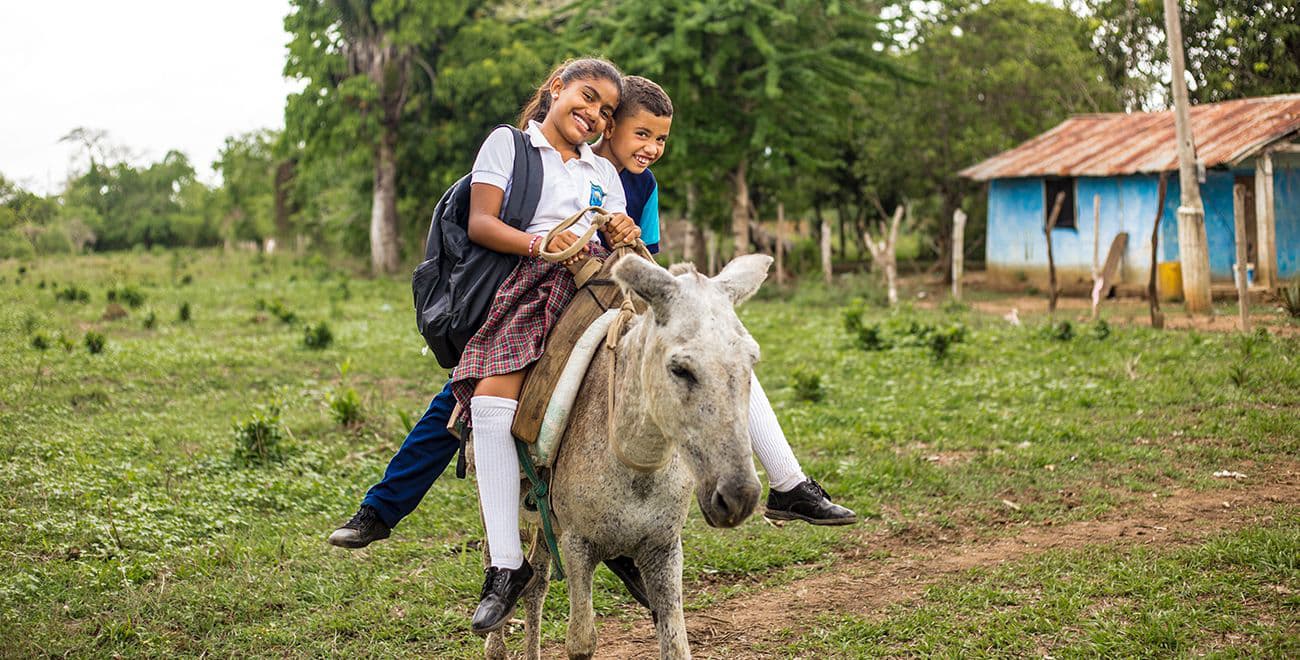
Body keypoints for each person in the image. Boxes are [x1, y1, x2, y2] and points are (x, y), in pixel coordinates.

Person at [329, 67, 855, 628]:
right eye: (615, 118)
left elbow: (638, 250)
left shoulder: (614, 174)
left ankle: (788, 482)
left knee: (711, 352)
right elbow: (488, 221)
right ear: (559, 88)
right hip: (527, 285)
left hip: (602, 284)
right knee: (468, 401)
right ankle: (423, 526)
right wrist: (548, 242)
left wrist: (623, 236)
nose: (639, 142)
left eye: (612, 114)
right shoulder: (518, 146)